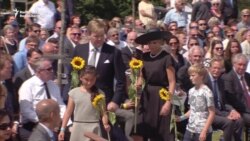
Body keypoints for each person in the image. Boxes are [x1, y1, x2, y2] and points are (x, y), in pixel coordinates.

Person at [72, 19, 127, 140]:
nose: (99, 39)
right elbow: (74, 77)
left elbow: (121, 80)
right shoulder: (79, 50)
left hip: (105, 102)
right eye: (96, 36)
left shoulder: (113, 52)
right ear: (88, 34)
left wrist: (115, 101)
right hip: (83, 102)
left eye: (102, 36)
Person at [134, 28, 175, 141]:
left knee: (160, 131)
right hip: (146, 95)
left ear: (161, 42)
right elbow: (142, 76)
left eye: (155, 42)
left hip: (161, 95)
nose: (152, 45)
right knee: (141, 127)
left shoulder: (166, 57)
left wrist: (168, 102)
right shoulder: (145, 57)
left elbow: (172, 82)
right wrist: (138, 82)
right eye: (150, 43)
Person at [18, 58, 66, 140]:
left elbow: (61, 105)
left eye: (52, 68)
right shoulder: (27, 86)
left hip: (53, 125)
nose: (52, 71)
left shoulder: (53, 85)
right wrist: (44, 123)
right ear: (39, 71)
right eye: (49, 69)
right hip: (32, 127)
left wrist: (63, 122)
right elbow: (26, 110)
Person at [58, 66, 110, 141]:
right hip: (78, 128)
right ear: (80, 77)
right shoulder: (74, 92)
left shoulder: (100, 93)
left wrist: (105, 124)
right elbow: (68, 112)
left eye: (92, 80)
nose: (89, 82)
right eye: (86, 79)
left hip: (94, 127)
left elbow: (103, 112)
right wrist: (62, 130)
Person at [204, 57, 243, 141]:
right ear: (209, 68)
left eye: (219, 68)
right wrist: (225, 115)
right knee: (228, 122)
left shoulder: (220, 81)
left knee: (239, 120)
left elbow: (224, 102)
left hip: (221, 110)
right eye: (214, 68)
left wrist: (232, 110)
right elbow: (208, 105)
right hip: (209, 113)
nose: (217, 70)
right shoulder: (205, 82)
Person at [179, 64, 215, 141]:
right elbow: (192, 109)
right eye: (190, 76)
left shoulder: (207, 92)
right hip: (190, 129)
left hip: (202, 130)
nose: (190, 78)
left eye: (193, 75)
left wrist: (204, 131)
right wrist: (180, 118)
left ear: (201, 76)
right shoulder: (191, 91)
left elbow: (212, 113)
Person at [223, 53, 250, 127]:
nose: (242, 67)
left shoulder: (248, 76)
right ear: (234, 64)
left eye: (244, 65)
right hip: (240, 111)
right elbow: (232, 101)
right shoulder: (228, 78)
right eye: (240, 64)